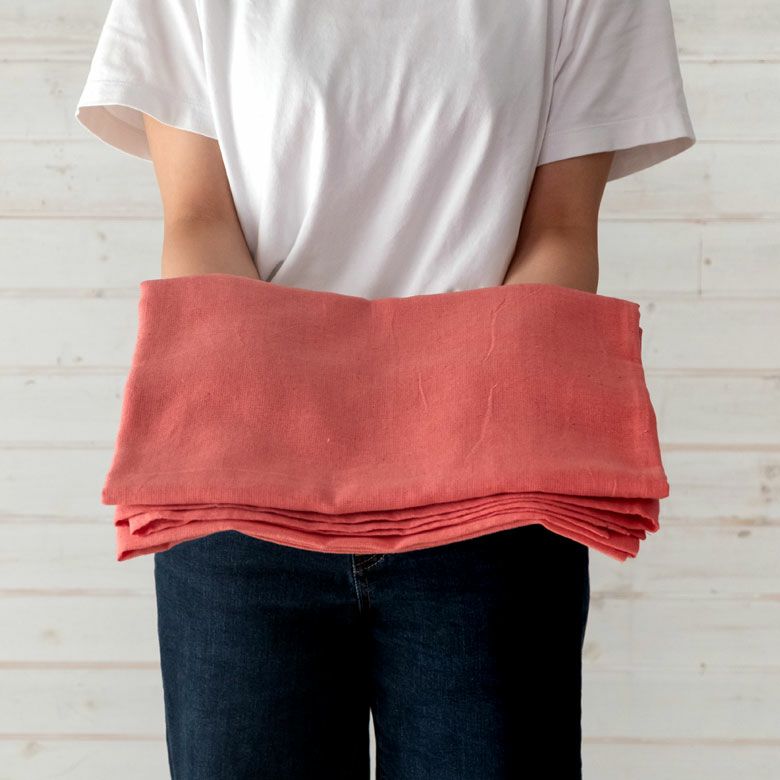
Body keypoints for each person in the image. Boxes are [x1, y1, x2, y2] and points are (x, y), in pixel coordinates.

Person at [75, 1, 696, 777]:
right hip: (241, 486)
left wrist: (447, 441)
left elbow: (561, 229)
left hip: (490, 495)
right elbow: (199, 219)